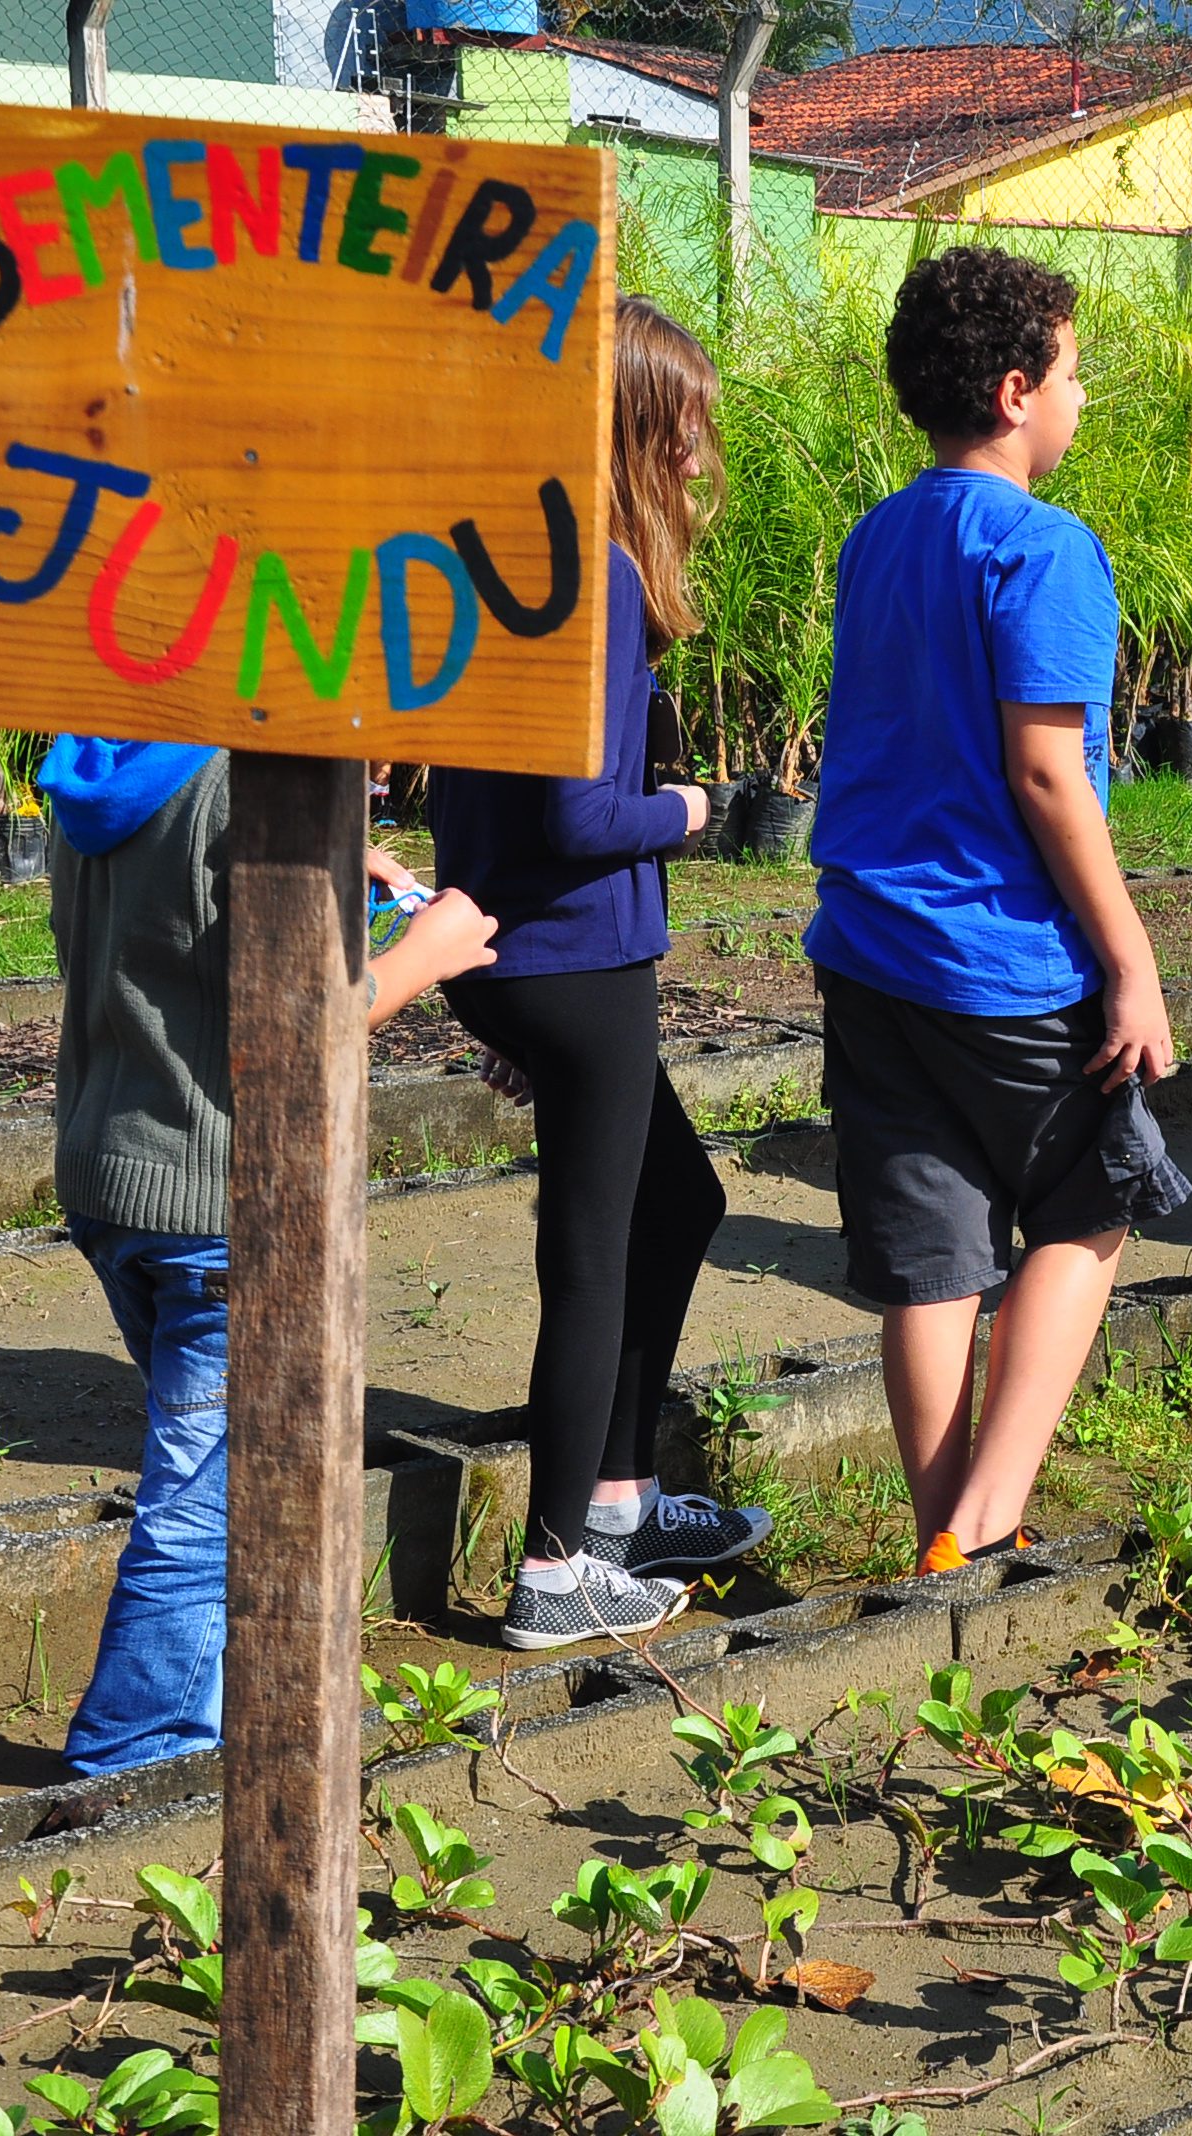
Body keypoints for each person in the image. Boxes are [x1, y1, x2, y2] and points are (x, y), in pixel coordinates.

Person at [806, 247, 1190, 1575]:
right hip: (1004, 960)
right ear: (1020, 390)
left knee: (932, 1255)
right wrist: (1132, 965)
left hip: (869, 947)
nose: (1083, 400)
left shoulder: (880, 532)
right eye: (1075, 374)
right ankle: (988, 1517)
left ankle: (936, 1535)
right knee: (1088, 1208)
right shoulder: (1046, 550)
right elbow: (1047, 772)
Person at [45, 740, 500, 1773]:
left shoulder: (106, 765)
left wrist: (329, 861)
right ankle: (134, 1755)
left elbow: (183, 919)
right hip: (223, 1197)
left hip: (115, 1175)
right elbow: (306, 1022)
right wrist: (429, 951)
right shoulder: (256, 782)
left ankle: (206, 1712)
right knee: (205, 1504)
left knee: (212, 1474)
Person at [432, 294, 767, 1650]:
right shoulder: (605, 580)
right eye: (686, 422)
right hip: (577, 951)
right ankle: (555, 1567)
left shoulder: (517, 555)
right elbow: (581, 820)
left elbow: (472, 792)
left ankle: (621, 1497)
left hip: (526, 951)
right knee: (592, 1258)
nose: (701, 453)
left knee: (676, 1201)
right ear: (636, 422)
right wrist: (689, 813)